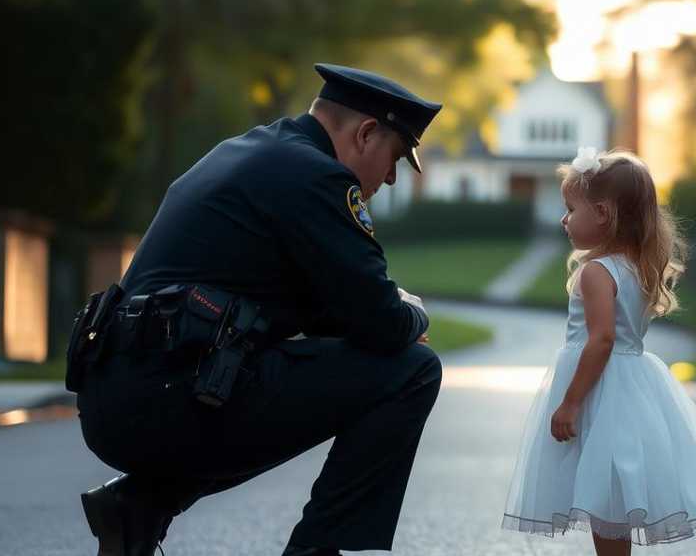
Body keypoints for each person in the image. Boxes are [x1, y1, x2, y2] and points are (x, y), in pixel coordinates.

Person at [75, 63, 444, 556]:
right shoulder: (317, 177)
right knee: (413, 370)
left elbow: (333, 315)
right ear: (367, 133)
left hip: (116, 398)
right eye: (396, 157)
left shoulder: (249, 152)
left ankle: (139, 506)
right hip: (168, 399)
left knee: (299, 373)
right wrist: (414, 312)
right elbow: (382, 322)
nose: (393, 178)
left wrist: (377, 317)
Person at [501, 147, 696, 554]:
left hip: (600, 391)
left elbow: (601, 340)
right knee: (612, 496)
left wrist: (571, 402)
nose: (564, 218)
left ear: (601, 213)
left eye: (570, 208)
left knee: (606, 497)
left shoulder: (596, 272)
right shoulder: (636, 267)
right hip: (631, 386)